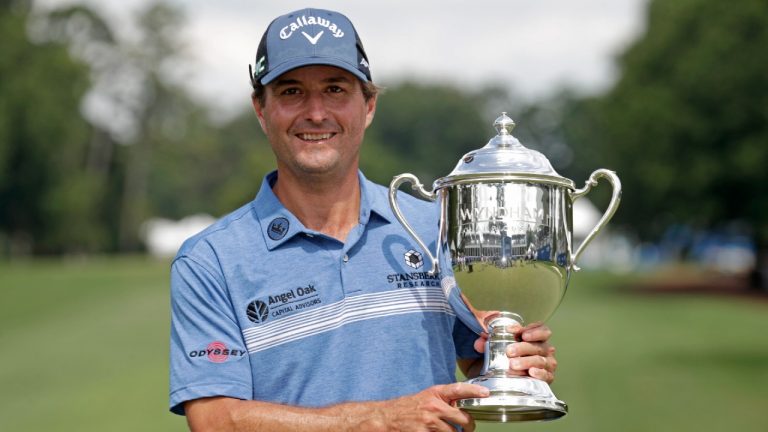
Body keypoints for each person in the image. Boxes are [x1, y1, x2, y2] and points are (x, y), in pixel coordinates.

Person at [169, 8, 558, 431]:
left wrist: (514, 358)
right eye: (291, 92)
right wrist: (377, 420)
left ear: (368, 105)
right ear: (261, 110)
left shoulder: (435, 228)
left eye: (335, 89)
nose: (316, 112)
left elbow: (476, 357)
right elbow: (214, 420)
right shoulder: (210, 261)